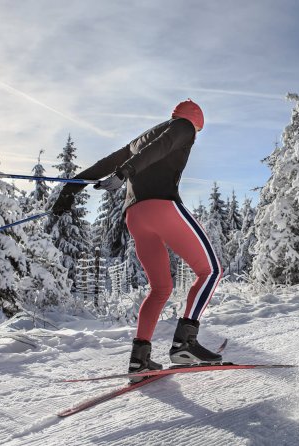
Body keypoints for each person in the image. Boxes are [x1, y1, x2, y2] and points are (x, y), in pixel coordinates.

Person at [51, 99, 223, 380]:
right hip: (162, 207)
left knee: (160, 288)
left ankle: (139, 359)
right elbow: (163, 146)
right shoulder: (184, 127)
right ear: (196, 123)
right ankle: (185, 343)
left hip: (135, 217)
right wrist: (124, 173)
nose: (194, 137)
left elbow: (105, 163)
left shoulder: (139, 140)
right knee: (211, 271)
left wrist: (70, 189)